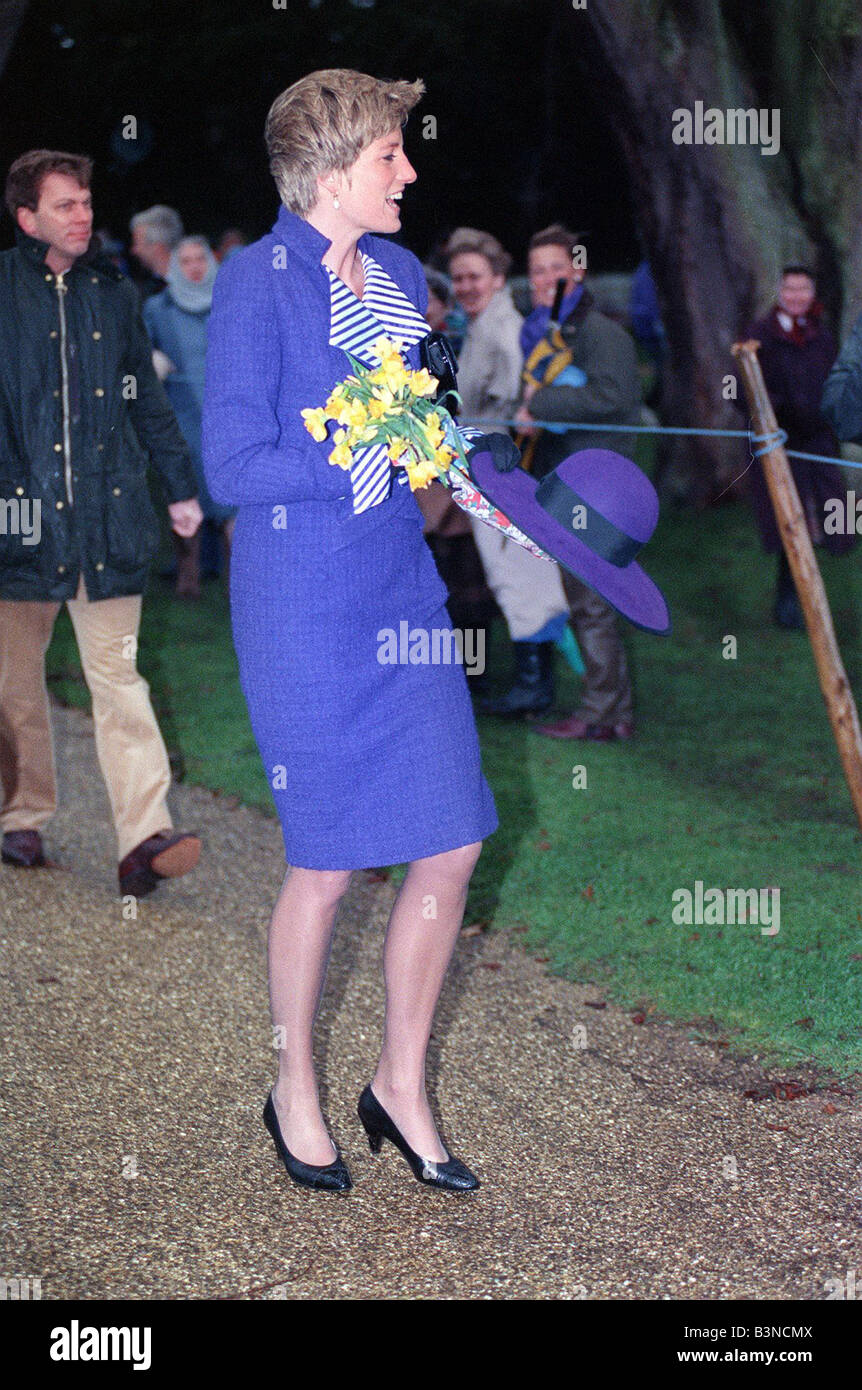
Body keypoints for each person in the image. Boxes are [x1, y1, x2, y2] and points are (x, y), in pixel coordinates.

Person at [202, 69, 512, 1194]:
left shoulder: (395, 273)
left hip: (400, 592)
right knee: (327, 863)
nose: (410, 171)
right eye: (391, 154)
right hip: (301, 605)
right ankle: (294, 1087)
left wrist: (448, 462)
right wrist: (354, 446)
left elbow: (419, 425)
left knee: (452, 837)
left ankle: (399, 1083)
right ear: (333, 171)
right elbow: (232, 465)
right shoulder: (254, 284)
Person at [0, 150, 203, 895]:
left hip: (107, 518)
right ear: (28, 218)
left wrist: (180, 487)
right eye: (66, 206)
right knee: (14, 685)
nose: (84, 216)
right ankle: (21, 814)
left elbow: (145, 400)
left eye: (87, 203)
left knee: (119, 678)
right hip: (17, 522)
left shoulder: (115, 296)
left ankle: (143, 839)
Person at [516, 223, 640, 742]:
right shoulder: (554, 330)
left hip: (598, 484)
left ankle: (599, 715)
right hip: (571, 477)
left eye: (557, 269)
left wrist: (538, 407)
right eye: (537, 270)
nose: (546, 278)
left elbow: (612, 397)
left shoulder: (598, 331)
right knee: (590, 599)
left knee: (590, 600)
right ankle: (611, 712)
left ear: (579, 271)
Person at [447, 228, 571, 716]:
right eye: (458, 278)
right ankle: (532, 682)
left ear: (498, 279)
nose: (465, 286)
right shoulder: (480, 326)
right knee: (511, 575)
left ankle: (534, 687)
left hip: (503, 473)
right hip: (483, 470)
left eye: (475, 276)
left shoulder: (503, 330)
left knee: (519, 574)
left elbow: (520, 406)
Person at [745, 266, 854, 629]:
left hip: (816, 441)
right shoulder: (759, 336)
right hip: (780, 443)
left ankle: (817, 599)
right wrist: (773, 412)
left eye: (803, 290)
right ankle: (789, 603)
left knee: (822, 519)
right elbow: (741, 387)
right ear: (779, 293)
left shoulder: (820, 335)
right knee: (789, 522)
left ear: (812, 294)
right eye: (790, 289)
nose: (796, 297)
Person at [143, 236, 235, 597]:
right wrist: (152, 363)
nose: (194, 267)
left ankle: (236, 583)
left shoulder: (229, 304)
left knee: (231, 503)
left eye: (201, 258)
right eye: (186, 261)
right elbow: (139, 356)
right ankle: (187, 579)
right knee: (185, 494)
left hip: (227, 416)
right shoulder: (157, 308)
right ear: (175, 267)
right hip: (181, 416)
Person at [129, 204, 184, 301]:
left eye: (136, 243)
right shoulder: (150, 288)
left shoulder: (193, 284)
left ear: (157, 247)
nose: (134, 250)